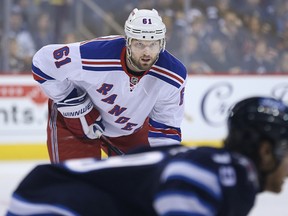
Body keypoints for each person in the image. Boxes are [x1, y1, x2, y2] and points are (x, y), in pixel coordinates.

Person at [6, 96, 288, 216]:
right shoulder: (232, 174)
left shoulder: (219, 165)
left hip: (43, 197)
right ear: (265, 152)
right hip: (52, 205)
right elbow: (181, 182)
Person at [31, 8, 187, 163]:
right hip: (74, 123)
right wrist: (72, 101)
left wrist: (164, 166)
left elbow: (166, 129)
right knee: (76, 185)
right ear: (128, 41)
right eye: (139, 44)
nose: (147, 52)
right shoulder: (95, 54)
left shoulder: (173, 75)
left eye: (153, 45)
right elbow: (42, 62)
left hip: (128, 130)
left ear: (162, 44)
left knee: (147, 182)